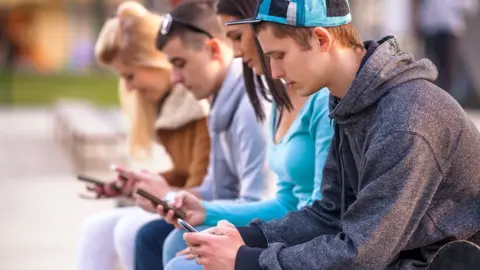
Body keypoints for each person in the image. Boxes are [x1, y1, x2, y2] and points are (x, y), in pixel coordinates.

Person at [182, 0, 480, 269]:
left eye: (279, 54)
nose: (273, 72)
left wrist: (247, 260)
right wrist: (249, 236)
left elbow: (360, 254)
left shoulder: (407, 119)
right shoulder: (348, 101)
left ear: (321, 39)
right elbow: (329, 214)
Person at [160, 0, 333, 268]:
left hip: (310, 245)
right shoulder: (278, 97)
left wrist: (243, 246)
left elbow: (324, 215)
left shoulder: (321, 99)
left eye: (237, 37)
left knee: (182, 262)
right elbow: (286, 201)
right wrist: (206, 210)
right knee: (179, 243)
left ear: (261, 25)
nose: (236, 52)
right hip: (291, 229)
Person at [131, 1, 270, 269]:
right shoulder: (221, 101)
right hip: (236, 219)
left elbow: (258, 201)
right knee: (152, 237)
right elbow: (216, 188)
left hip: (267, 231)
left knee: (169, 246)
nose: (175, 78)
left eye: (180, 64)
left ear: (214, 49)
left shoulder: (252, 104)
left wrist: (170, 195)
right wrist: (169, 196)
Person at [76, 2, 211, 270]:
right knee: (96, 227)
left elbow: (204, 186)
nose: (129, 87)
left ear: (155, 61)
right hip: (192, 201)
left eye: (130, 75)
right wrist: (138, 187)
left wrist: (157, 190)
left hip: (210, 208)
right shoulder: (168, 106)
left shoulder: (196, 104)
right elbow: (185, 173)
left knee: (129, 231)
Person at [413, 0, 479, 92]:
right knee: (430, 66)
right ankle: (431, 95)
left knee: (447, 69)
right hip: (430, 28)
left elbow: (470, 7)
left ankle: (444, 96)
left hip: (449, 29)